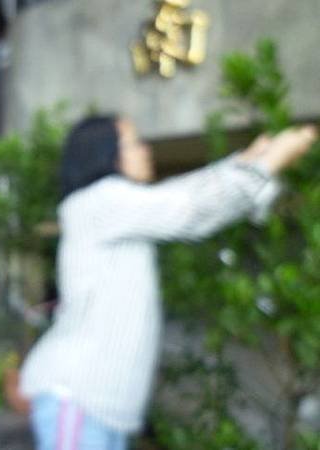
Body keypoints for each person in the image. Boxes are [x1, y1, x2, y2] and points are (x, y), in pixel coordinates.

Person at [19, 116, 318, 450]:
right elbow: (189, 209)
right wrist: (269, 163)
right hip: (77, 397)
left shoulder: (117, 206)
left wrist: (245, 161)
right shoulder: (98, 201)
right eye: (135, 143)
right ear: (106, 154)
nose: (147, 150)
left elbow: (181, 193)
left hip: (98, 406)